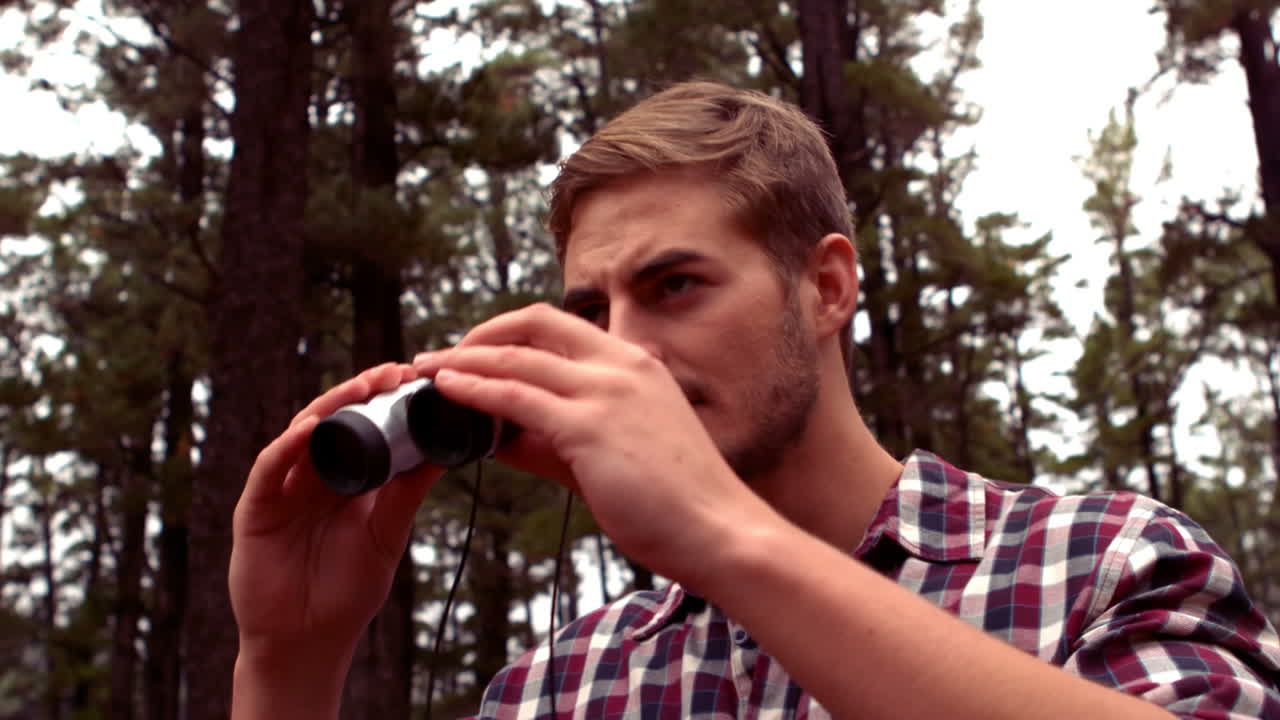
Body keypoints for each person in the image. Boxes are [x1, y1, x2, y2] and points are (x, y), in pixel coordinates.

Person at [229, 82, 1280, 719]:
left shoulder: (1102, 565)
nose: (625, 349)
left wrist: (721, 535)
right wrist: (289, 660)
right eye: (592, 308)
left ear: (825, 287)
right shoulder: (569, 681)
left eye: (673, 285)